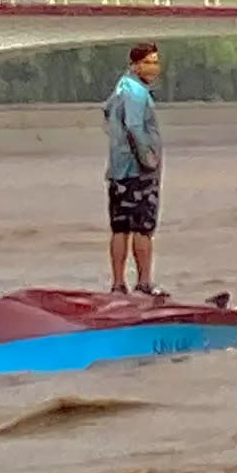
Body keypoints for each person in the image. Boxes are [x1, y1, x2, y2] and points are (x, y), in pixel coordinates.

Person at [102, 43, 169, 298]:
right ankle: (143, 282)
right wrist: (148, 159)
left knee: (120, 227)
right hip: (137, 171)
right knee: (142, 227)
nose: (154, 67)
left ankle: (118, 284)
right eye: (148, 62)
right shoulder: (136, 92)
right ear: (135, 65)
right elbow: (133, 126)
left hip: (118, 170)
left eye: (155, 62)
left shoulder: (120, 88)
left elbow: (107, 112)